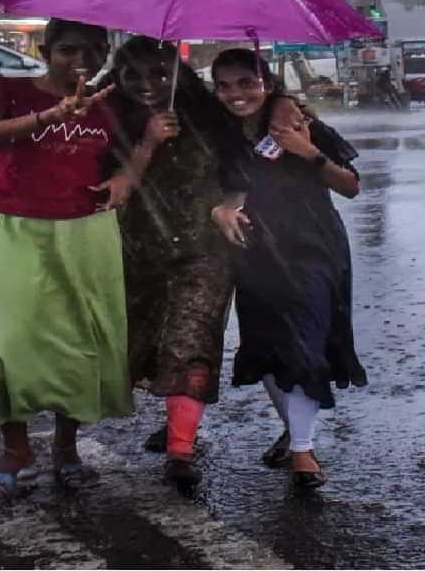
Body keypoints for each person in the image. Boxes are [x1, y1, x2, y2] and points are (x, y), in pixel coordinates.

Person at [0, 18, 142, 511]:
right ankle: (15, 451)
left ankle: (66, 449)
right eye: (69, 49)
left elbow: (136, 153)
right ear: (45, 49)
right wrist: (53, 114)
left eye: (96, 48)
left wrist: (129, 175)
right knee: (6, 341)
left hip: (87, 231)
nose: (83, 58)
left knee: (78, 343)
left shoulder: (109, 103)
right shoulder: (6, 88)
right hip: (17, 229)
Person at [209, 49, 366, 490]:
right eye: (224, 85)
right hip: (255, 252)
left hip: (313, 248)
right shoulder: (217, 133)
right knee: (269, 350)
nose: (236, 94)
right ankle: (296, 434)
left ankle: (302, 450)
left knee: (305, 344)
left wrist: (308, 151)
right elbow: (225, 191)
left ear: (267, 83)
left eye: (246, 82)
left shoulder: (298, 123)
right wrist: (221, 210)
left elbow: (351, 187)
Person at [107, 36, 235, 490]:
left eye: (160, 74)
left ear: (177, 75)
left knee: (191, 340)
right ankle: (175, 422)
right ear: (117, 77)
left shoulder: (209, 115)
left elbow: (245, 162)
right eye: (133, 75)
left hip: (204, 253)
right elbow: (107, 189)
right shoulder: (106, 120)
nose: (147, 84)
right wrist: (146, 141)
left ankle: (181, 450)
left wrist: (228, 204)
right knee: (141, 345)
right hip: (137, 253)